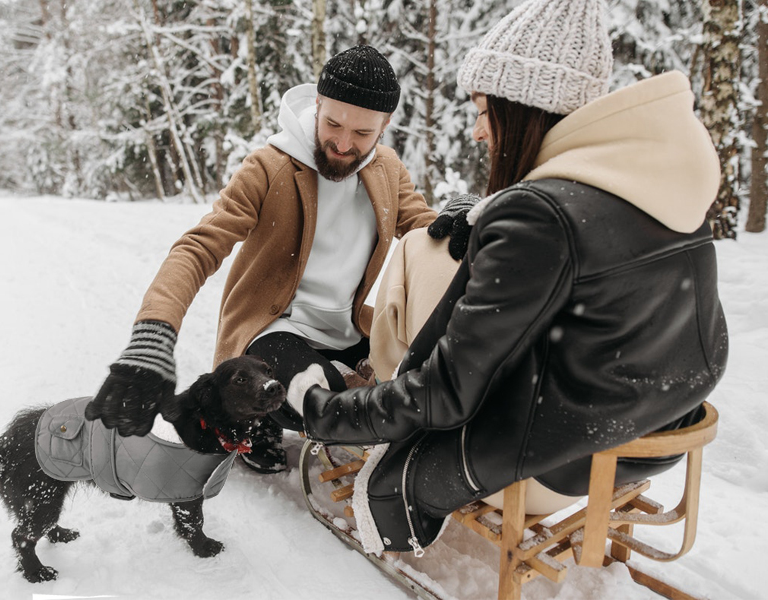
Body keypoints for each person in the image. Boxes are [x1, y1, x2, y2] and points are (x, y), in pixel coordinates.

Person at [288, 0, 729, 556]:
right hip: (657, 436)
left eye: (483, 111)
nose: (477, 132)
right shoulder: (653, 179)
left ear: (521, 110)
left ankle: (381, 397)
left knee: (420, 266)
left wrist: (322, 412)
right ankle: (391, 385)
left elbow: (447, 396)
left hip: (558, 462)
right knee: (434, 256)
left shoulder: (539, 215)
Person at [85, 45, 464, 474]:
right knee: (334, 402)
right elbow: (198, 248)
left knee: (420, 380)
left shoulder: (387, 169)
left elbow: (425, 229)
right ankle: (261, 416)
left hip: (347, 326)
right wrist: (153, 333)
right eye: (333, 123)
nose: (343, 143)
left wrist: (464, 219)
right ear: (317, 104)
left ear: (385, 125)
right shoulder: (269, 167)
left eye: (362, 133)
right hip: (274, 329)